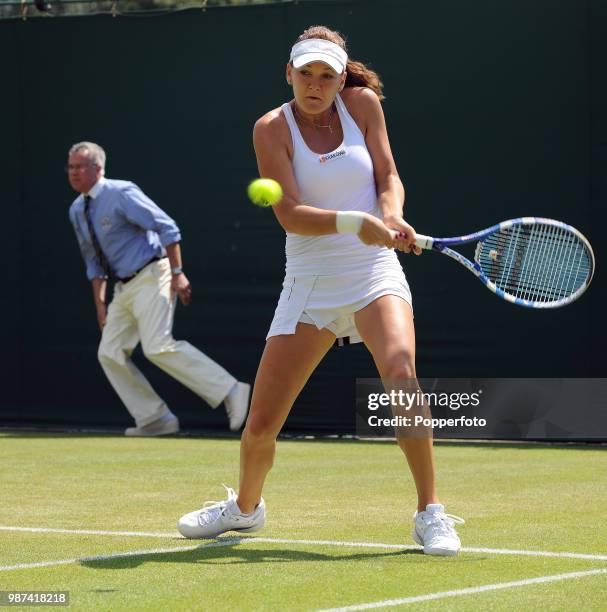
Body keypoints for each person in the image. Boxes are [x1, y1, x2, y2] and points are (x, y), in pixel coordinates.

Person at [177, 26, 464, 555]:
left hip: (374, 272)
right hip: (311, 281)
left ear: (340, 78)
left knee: (401, 374)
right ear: (288, 73)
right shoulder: (271, 129)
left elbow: (388, 174)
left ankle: (431, 512)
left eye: (326, 76)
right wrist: (358, 222)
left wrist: (391, 214)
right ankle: (245, 509)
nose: (315, 85)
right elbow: (290, 216)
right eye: (305, 74)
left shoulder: (363, 105)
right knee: (262, 425)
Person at [67, 141, 250, 436]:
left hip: (154, 273)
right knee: (109, 352)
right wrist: (100, 306)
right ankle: (155, 418)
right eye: (71, 167)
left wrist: (178, 273)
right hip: (123, 289)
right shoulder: (77, 209)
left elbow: (167, 227)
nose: (74, 173)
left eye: (80, 167)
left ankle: (231, 389)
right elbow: (93, 261)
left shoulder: (121, 193)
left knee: (157, 346)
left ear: (98, 168)